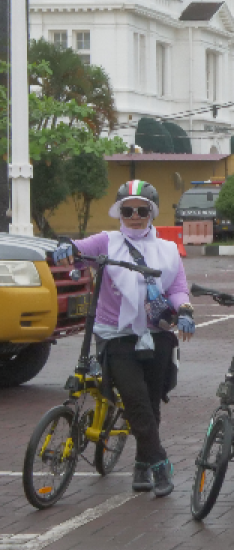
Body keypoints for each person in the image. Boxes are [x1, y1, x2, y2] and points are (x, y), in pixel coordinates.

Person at [50, 180, 193, 498]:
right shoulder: (107, 242)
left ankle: (141, 464)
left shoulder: (167, 250)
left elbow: (178, 288)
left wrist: (184, 310)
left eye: (142, 210)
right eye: (127, 210)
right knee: (135, 399)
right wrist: (66, 249)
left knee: (151, 403)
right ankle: (159, 463)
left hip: (157, 333)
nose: (134, 216)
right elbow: (78, 250)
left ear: (152, 213)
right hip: (116, 336)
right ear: (119, 212)